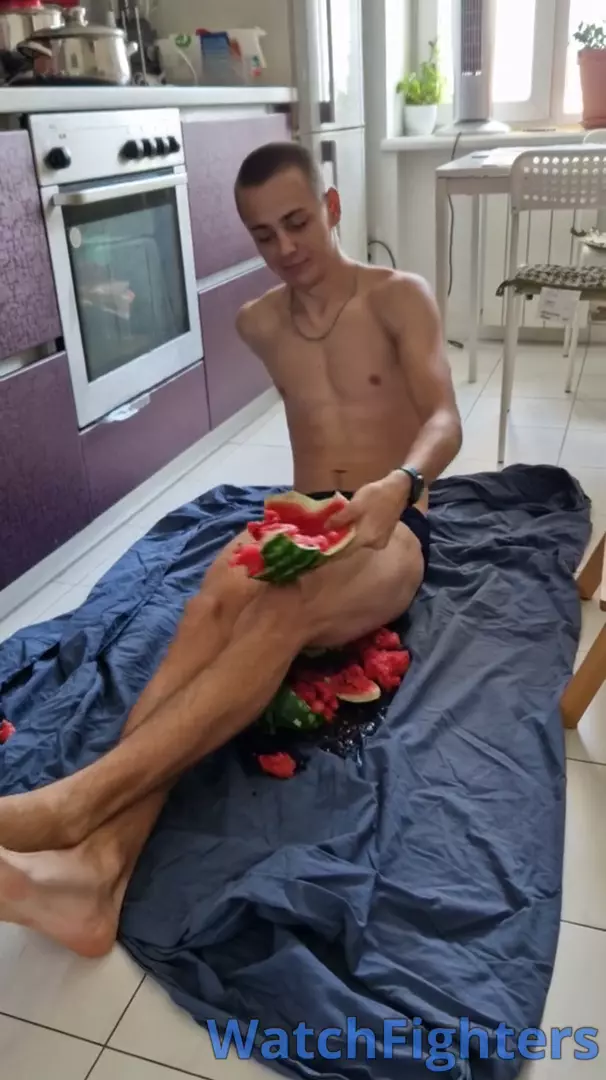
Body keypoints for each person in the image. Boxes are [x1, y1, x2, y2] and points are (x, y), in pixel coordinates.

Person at [0, 142, 462, 957]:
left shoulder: (399, 297)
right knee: (204, 615)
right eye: (263, 234)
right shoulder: (258, 323)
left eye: (297, 222)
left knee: (279, 611)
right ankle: (99, 876)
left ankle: (74, 809)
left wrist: (400, 483)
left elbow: (444, 419)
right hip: (293, 520)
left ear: (331, 207)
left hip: (387, 522)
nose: (285, 248)